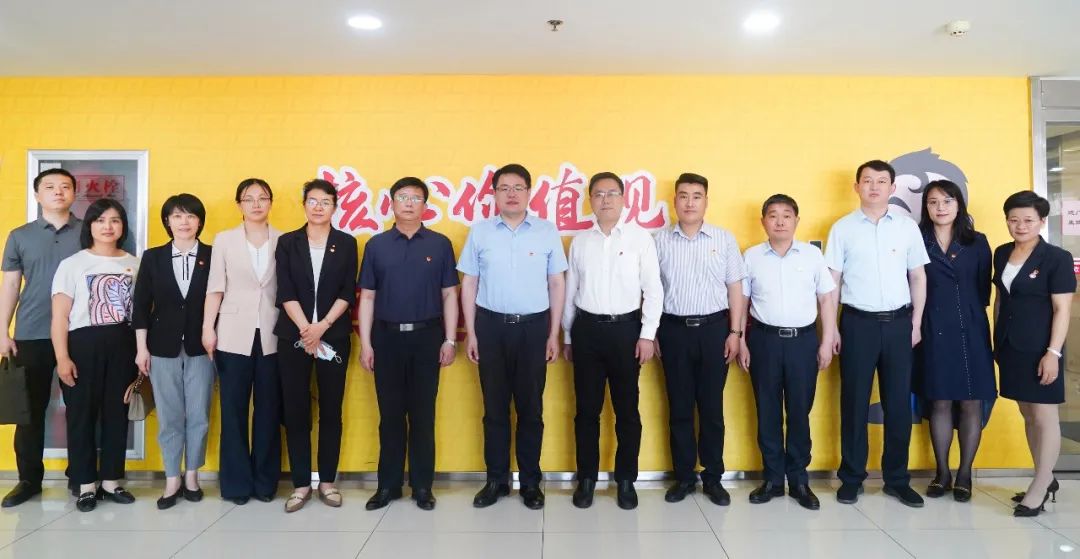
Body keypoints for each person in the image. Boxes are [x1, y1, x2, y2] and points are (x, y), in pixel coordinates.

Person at [458, 163, 567, 510]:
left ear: (529, 192)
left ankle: (530, 483)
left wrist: (554, 333)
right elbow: (469, 283)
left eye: (518, 187)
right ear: (494, 194)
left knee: (531, 408)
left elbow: (556, 283)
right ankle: (496, 481)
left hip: (534, 329)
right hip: (490, 327)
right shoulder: (480, 232)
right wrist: (471, 332)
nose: (511, 194)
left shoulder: (546, 231)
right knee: (494, 408)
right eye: (504, 188)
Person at [825, 160, 929, 508]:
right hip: (857, 323)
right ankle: (851, 478)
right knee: (854, 402)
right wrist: (832, 328)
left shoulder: (907, 227)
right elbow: (832, 282)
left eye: (881, 181)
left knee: (898, 404)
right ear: (856, 187)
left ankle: (896, 479)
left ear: (892, 188)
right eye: (867, 181)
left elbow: (918, 277)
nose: (874, 187)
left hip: (899, 323)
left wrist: (916, 323)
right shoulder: (842, 228)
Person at [562, 172, 662, 510]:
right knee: (586, 411)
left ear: (623, 198)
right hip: (587, 331)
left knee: (627, 410)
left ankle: (626, 480)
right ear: (590, 200)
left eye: (612, 193)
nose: (605, 200)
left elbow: (653, 290)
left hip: (626, 332)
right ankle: (587, 479)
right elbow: (571, 291)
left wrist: (647, 335)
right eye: (599, 194)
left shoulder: (640, 239)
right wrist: (567, 335)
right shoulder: (580, 242)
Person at [359, 177, 459, 511]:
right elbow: (367, 297)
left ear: (425, 206)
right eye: (402, 197)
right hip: (385, 338)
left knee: (422, 414)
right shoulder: (376, 245)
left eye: (416, 198)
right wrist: (366, 344)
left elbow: (449, 294)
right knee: (389, 415)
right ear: (391, 203)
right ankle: (387, 485)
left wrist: (449, 339)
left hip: (427, 338)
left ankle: (422, 486)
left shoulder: (440, 244)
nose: (409, 203)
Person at [737, 194, 837, 510]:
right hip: (763, 341)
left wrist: (827, 340)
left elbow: (826, 300)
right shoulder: (751, 256)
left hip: (802, 342)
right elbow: (741, 302)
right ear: (763, 221)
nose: (779, 221)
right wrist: (740, 340)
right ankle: (772, 479)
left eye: (786, 215)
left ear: (796, 220)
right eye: (773, 215)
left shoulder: (812, 255)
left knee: (799, 412)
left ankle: (799, 481)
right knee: (766, 411)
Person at [654, 172, 743, 507]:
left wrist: (735, 332)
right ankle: (684, 477)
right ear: (674, 200)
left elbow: (735, 288)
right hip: (673, 330)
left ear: (706, 201)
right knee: (678, 407)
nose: (689, 203)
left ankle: (713, 477)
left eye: (696, 196)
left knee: (711, 408)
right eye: (683, 196)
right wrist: (653, 332)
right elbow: (650, 290)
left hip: (714, 330)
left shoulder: (723, 238)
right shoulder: (658, 241)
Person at [50, 198, 140, 512]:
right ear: (90, 225)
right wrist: (62, 357)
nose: (107, 226)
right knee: (81, 416)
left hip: (124, 344)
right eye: (100, 220)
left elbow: (142, 314)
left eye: (115, 220)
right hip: (82, 345)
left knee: (117, 413)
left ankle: (111, 481)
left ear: (123, 226)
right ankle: (85, 484)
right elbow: (60, 316)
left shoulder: (135, 264)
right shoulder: (72, 264)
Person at [275, 179, 358, 513]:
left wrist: (322, 327)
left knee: (331, 409)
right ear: (304, 204)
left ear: (335, 206)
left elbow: (347, 291)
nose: (319, 207)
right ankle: (300, 484)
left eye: (325, 201)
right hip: (293, 337)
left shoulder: (346, 243)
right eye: (313, 200)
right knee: (296, 410)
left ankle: (327, 482)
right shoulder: (287, 242)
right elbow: (285, 291)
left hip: (332, 336)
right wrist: (306, 330)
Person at [0, 169, 81, 508]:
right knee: (29, 411)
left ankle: (80, 476)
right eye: (49, 187)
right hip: (31, 333)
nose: (58, 192)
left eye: (65, 187)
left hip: (79, 332)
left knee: (80, 408)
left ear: (74, 193)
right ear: (37, 195)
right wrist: (3, 331)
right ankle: (28, 480)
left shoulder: (88, 232)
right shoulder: (20, 236)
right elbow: (10, 285)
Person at [911, 180, 995, 503]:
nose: (941, 207)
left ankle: (964, 474)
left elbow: (983, 291)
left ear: (959, 204)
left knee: (971, 401)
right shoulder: (917, 240)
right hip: (932, 328)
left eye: (947, 201)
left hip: (970, 329)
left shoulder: (976, 242)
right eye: (933, 202)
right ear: (926, 207)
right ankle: (942, 472)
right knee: (940, 400)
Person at [993, 191, 1075, 517]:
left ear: (1041, 221)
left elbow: (1062, 309)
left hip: (1041, 347)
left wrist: (1053, 352)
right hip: (1010, 346)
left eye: (1028, 220)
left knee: (1044, 416)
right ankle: (1045, 476)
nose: (1020, 225)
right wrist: (996, 339)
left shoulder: (1057, 258)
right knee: (1027, 413)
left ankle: (1039, 487)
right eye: (1014, 220)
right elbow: (1001, 299)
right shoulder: (1002, 253)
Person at [203, 178, 284, 505]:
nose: (256, 204)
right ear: (239, 204)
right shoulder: (224, 240)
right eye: (249, 199)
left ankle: (265, 483)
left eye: (262, 198)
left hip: (273, 334)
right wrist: (208, 328)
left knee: (268, 410)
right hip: (233, 333)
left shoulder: (284, 239)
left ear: (270, 202)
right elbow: (215, 287)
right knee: (233, 410)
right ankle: (236, 484)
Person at [132, 194, 215, 510]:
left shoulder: (213, 255)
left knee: (199, 414)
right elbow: (141, 306)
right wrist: (141, 348)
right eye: (177, 216)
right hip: (161, 347)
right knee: (169, 416)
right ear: (167, 221)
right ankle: (171, 478)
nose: (184, 222)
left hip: (201, 347)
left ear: (199, 221)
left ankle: (192, 475)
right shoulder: (153, 257)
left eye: (191, 216)